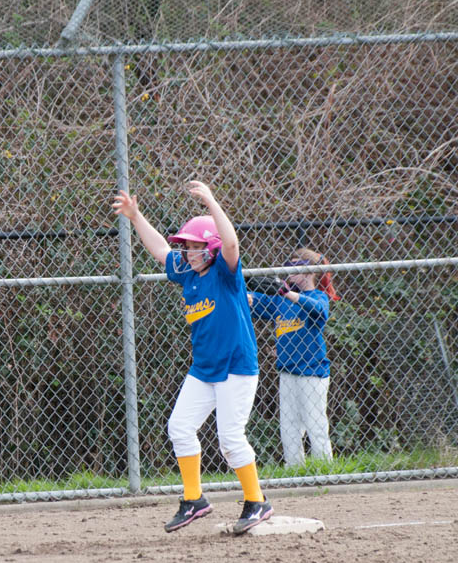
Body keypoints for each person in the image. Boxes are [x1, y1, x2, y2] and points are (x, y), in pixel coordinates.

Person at [112, 181, 273, 534]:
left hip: (235, 367)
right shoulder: (187, 273)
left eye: (195, 247)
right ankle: (194, 499)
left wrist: (213, 202)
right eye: (185, 247)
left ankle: (257, 501)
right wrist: (136, 216)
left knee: (230, 439)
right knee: (180, 427)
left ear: (211, 249)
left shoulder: (225, 274)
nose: (187, 253)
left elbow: (231, 243)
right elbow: (159, 251)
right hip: (204, 369)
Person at [248, 247, 339, 466]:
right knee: (288, 425)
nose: (288, 273)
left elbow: (319, 311)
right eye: (287, 268)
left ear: (309, 272)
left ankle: (325, 469)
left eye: (294, 268)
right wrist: (241, 282)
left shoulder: (316, 296)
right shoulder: (280, 302)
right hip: (287, 371)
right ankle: (295, 470)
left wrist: (288, 293)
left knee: (315, 423)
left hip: (312, 373)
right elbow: (251, 301)